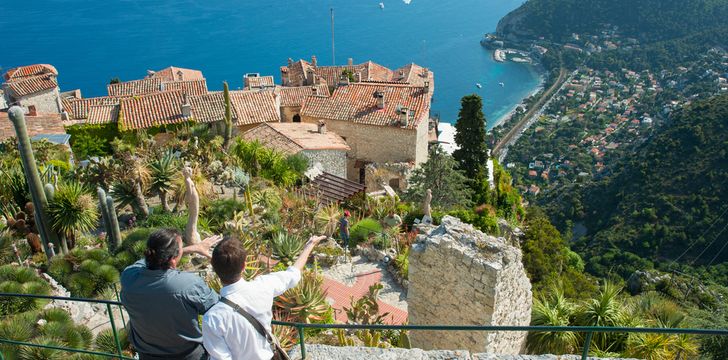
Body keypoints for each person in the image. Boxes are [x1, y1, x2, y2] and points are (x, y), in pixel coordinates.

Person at [202, 234, 326, 360]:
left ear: (214, 268)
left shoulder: (212, 318)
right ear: (244, 266)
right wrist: (309, 245)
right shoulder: (263, 286)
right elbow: (293, 275)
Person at [120, 228, 223, 360]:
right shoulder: (188, 284)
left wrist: (189, 249)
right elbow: (218, 307)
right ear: (173, 259)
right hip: (189, 356)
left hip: (147, 355)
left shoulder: (129, 278)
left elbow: (146, 262)